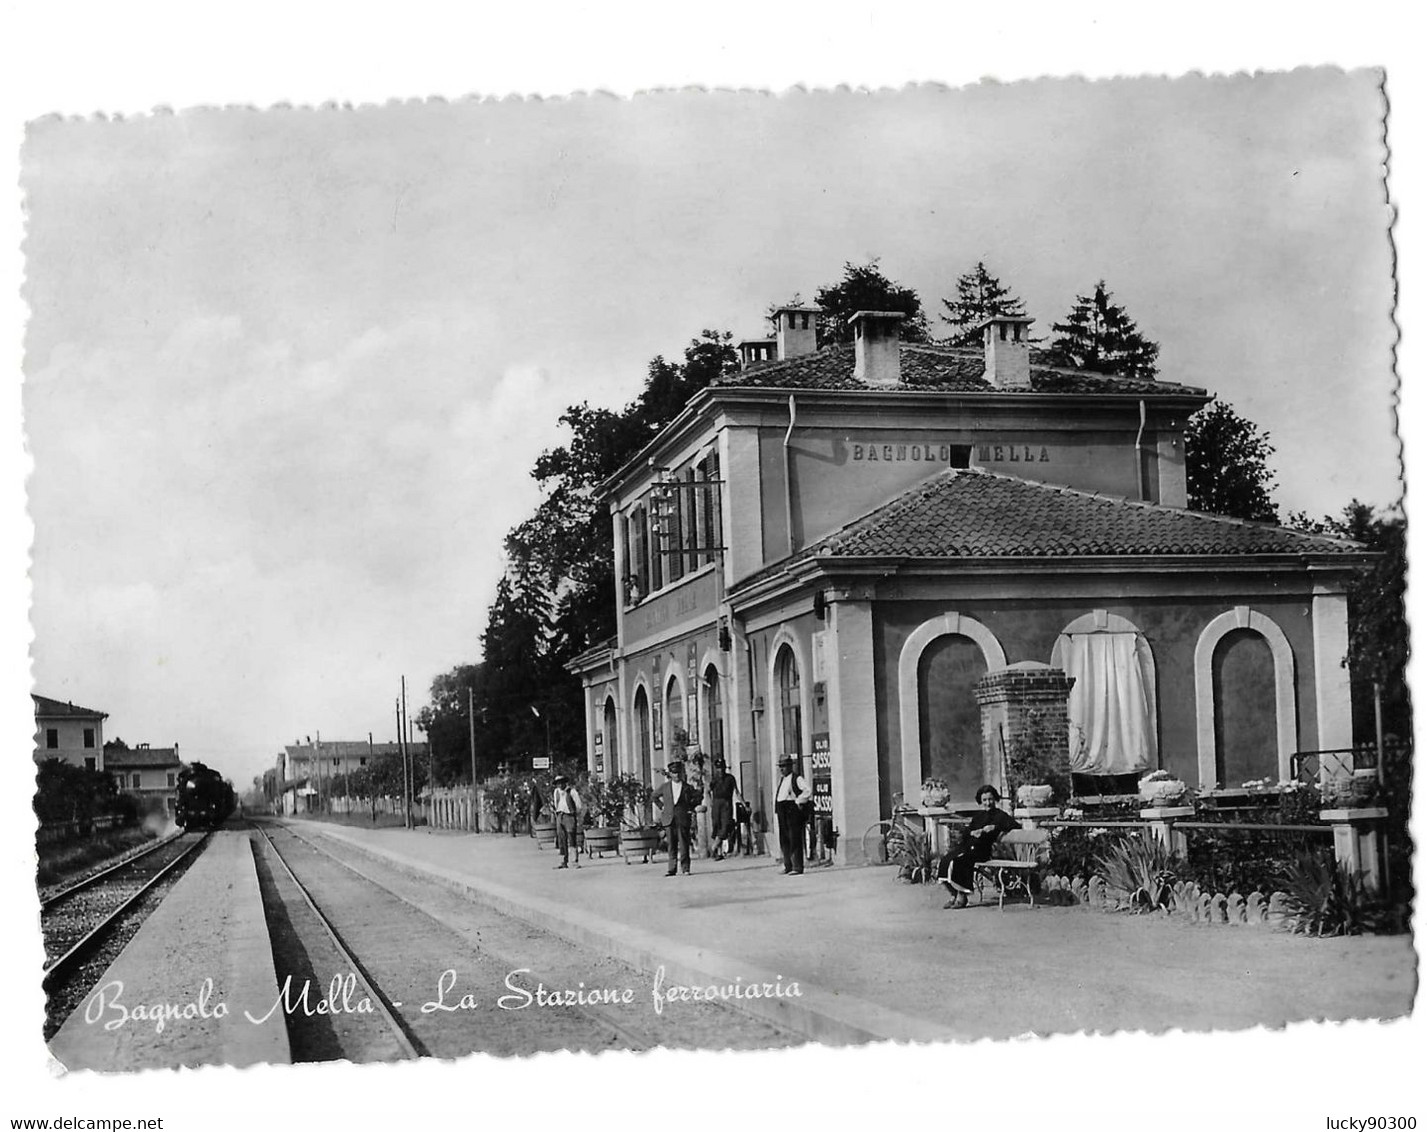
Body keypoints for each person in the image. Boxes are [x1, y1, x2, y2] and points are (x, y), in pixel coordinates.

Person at [938, 784, 1018, 908]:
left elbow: (1015, 825)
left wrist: (995, 827)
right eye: (985, 800)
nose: (988, 803)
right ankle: (953, 894)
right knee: (945, 861)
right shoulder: (978, 816)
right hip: (968, 846)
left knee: (960, 861)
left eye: (990, 799)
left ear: (995, 799)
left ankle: (962, 897)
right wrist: (972, 832)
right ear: (980, 801)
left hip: (982, 850)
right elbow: (966, 833)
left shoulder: (1000, 815)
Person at [650, 760, 702, 876]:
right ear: (670, 774)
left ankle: (685, 868)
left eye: (678, 772)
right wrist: (662, 806)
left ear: (682, 773)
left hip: (682, 819)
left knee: (684, 844)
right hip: (669, 819)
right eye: (674, 773)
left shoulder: (687, 787)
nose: (676, 775)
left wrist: (691, 808)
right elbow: (654, 796)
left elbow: (698, 797)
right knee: (671, 845)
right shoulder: (665, 787)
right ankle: (671, 868)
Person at [774, 755, 813, 875]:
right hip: (782, 809)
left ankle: (797, 866)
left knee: (794, 838)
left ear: (790, 766)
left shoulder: (796, 778)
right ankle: (788, 865)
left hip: (792, 810)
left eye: (784, 766)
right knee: (784, 838)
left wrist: (798, 801)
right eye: (780, 766)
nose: (782, 769)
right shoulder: (782, 780)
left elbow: (808, 790)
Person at [707, 757, 742, 859]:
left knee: (725, 826)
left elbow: (737, 792)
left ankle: (713, 848)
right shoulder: (714, 779)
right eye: (718, 768)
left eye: (722, 768)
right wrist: (710, 802)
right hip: (716, 803)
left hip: (726, 803)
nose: (720, 770)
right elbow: (708, 791)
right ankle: (718, 852)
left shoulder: (730, 778)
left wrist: (743, 803)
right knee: (716, 825)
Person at [550, 774, 584, 869]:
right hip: (560, 815)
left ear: (565, 782)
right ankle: (563, 861)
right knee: (561, 839)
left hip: (569, 816)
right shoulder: (556, 792)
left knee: (571, 838)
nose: (560, 785)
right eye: (558, 783)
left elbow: (579, 805)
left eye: (561, 783)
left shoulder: (572, 792)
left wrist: (574, 814)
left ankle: (574, 861)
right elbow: (555, 803)